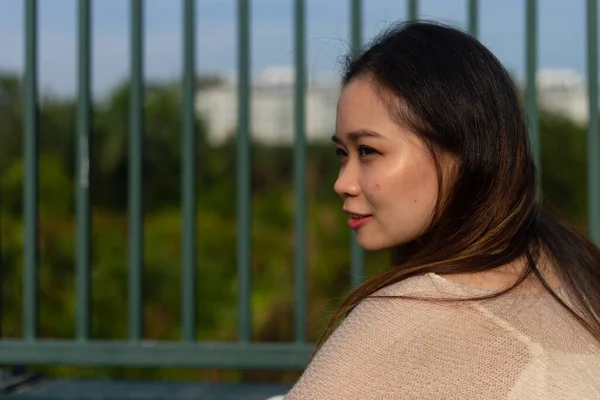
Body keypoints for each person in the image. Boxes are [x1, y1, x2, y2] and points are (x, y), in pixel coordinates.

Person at [284, 21, 600, 399]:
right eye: (342, 154)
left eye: (368, 151)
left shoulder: (406, 315)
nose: (343, 182)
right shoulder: (569, 267)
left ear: (461, 154)